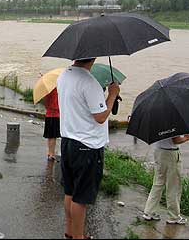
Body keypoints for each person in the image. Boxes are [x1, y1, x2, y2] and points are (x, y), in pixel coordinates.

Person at [57, 57, 120, 240]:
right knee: (81, 197)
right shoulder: (89, 82)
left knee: (70, 191)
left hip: (68, 141)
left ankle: (70, 232)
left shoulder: (64, 75)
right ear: (93, 56)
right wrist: (113, 94)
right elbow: (100, 117)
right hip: (87, 146)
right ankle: (78, 236)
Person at [142, 134, 189, 225]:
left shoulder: (156, 120)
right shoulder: (172, 121)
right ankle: (174, 216)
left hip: (159, 152)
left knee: (158, 183)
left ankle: (149, 212)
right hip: (171, 154)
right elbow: (175, 140)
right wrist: (186, 138)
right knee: (173, 186)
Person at [43, 87, 60, 161]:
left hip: (48, 114)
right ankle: (52, 154)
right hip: (56, 115)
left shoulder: (47, 91)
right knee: (53, 136)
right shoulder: (57, 90)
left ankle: (50, 152)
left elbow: (45, 103)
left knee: (50, 136)